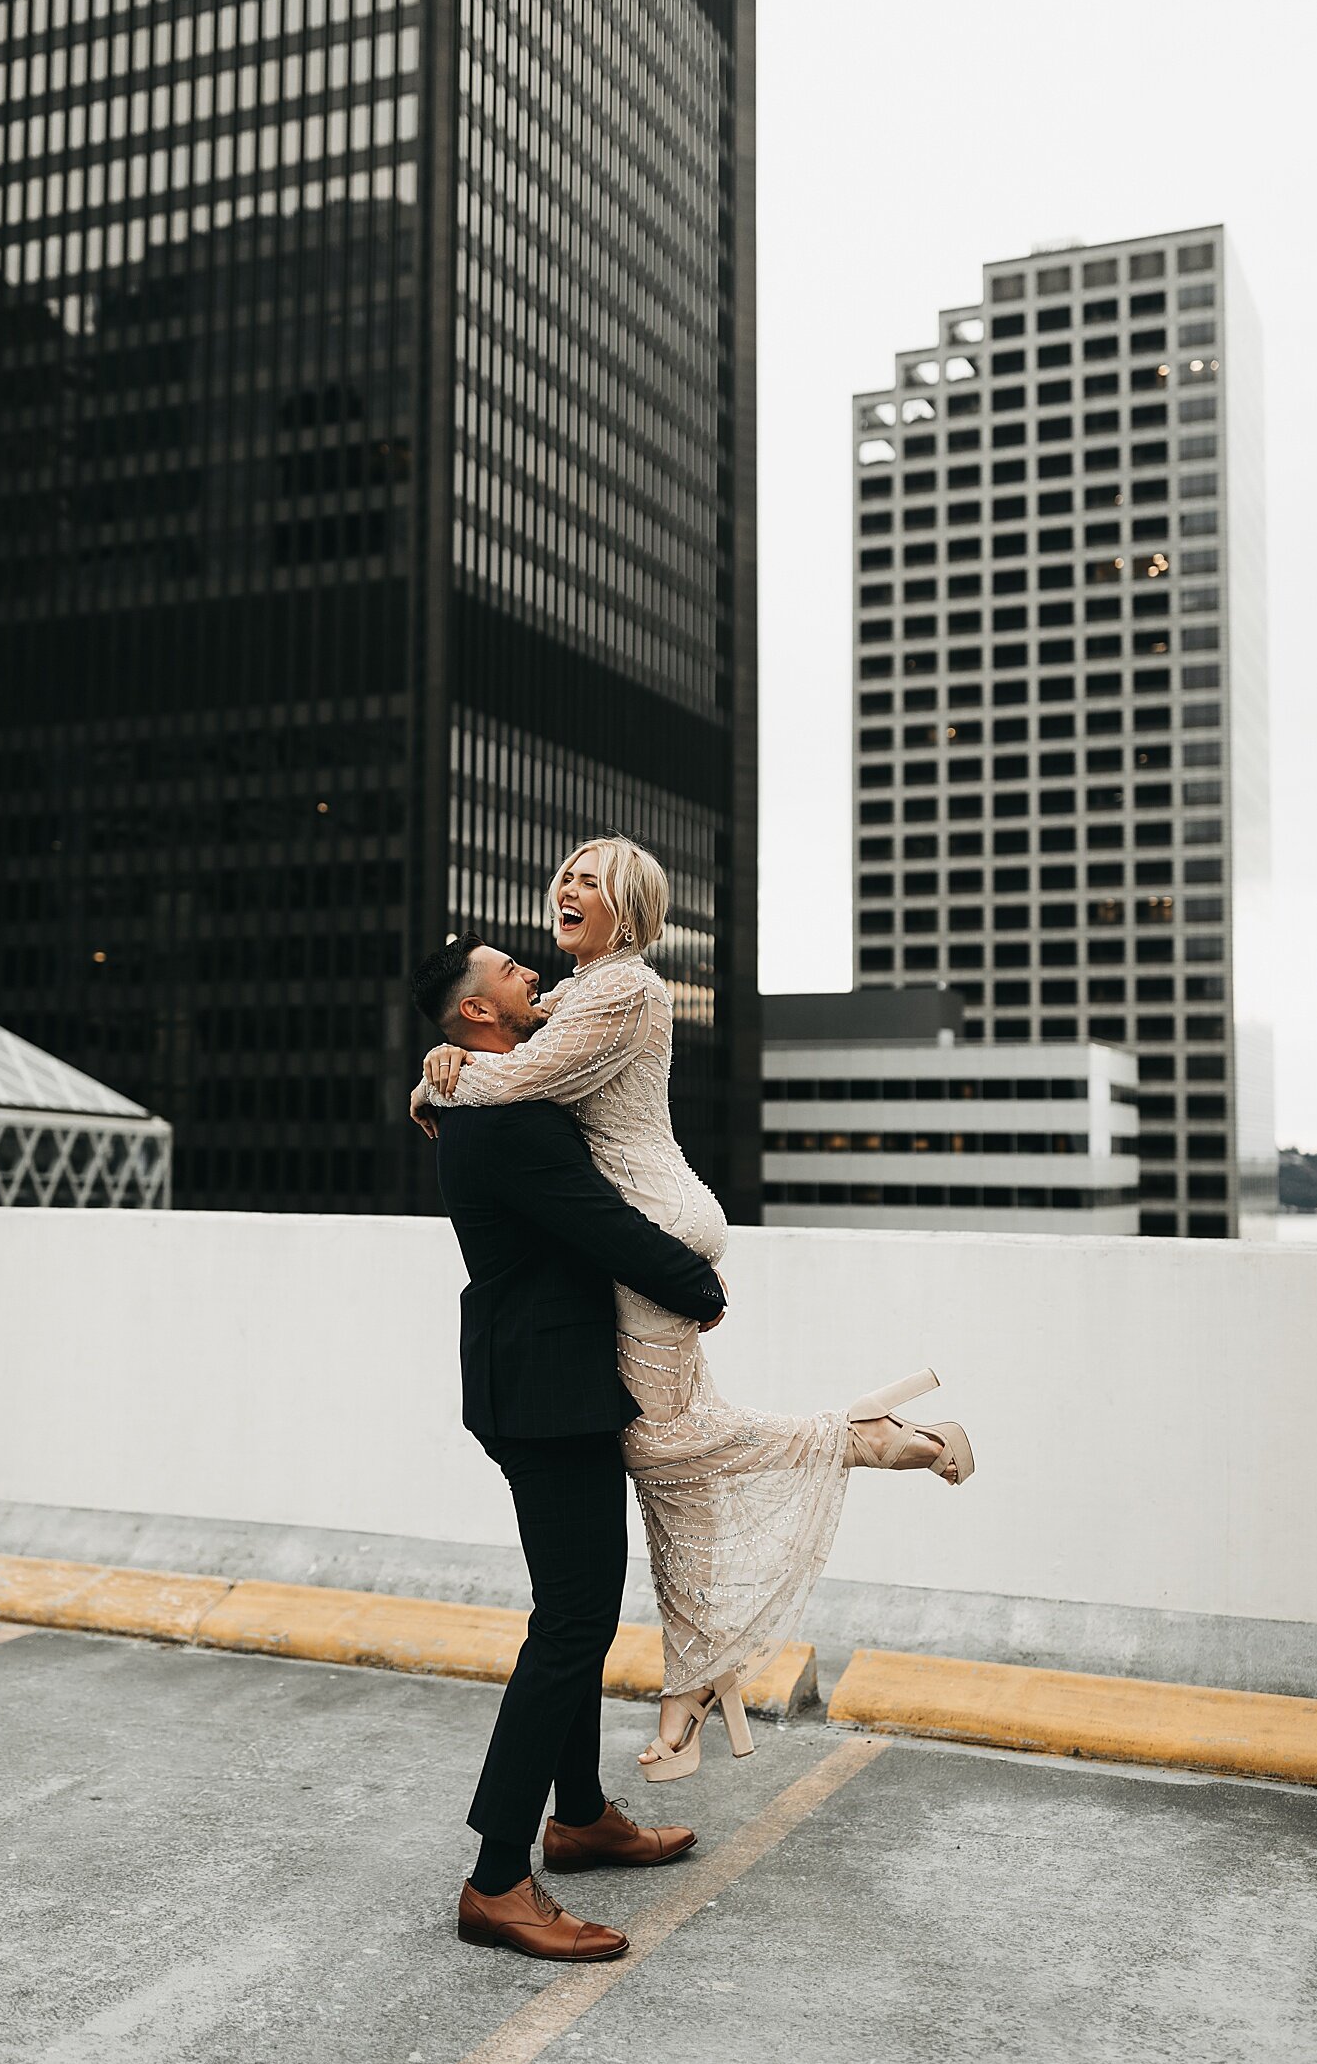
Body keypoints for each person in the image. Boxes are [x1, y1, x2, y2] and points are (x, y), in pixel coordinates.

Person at [412, 837, 975, 1782]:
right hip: (652, 1224)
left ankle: (862, 1440)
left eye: (591, 881)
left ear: (627, 908)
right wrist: (441, 1060)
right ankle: (691, 1689)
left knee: (666, 1446)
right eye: (566, 876)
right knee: (673, 1452)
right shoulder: (578, 996)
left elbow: (511, 1077)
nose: (567, 889)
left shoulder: (623, 990)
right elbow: (506, 1044)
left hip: (658, 1225)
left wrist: (437, 1077)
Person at [410, 930, 729, 1963]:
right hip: (544, 1392)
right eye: (511, 972)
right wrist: (699, 1287)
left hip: (543, 1381)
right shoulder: (499, 1118)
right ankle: (498, 1878)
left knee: (579, 1612)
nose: (533, 974)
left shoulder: (486, 1089)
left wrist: (433, 1074)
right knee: (572, 1622)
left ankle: (583, 1816)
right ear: (477, 1014)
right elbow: (596, 1221)